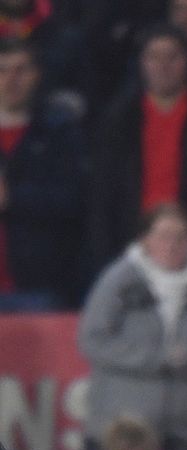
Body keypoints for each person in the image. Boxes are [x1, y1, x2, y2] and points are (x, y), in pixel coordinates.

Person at [77, 203, 187, 450]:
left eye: (181, 237)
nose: (172, 244)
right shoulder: (118, 281)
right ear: (145, 240)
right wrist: (158, 358)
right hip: (122, 429)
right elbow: (94, 341)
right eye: (164, 236)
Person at [88, 25, 187, 284]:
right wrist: (109, 256)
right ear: (142, 63)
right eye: (154, 57)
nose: (163, 65)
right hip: (132, 253)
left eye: (172, 56)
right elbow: (102, 194)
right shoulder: (119, 119)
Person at [0, 37, 86, 308]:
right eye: (2, 70)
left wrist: (12, 198)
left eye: (21, 70)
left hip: (39, 285)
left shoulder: (60, 133)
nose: (12, 79)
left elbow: (74, 199)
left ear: (36, 75)